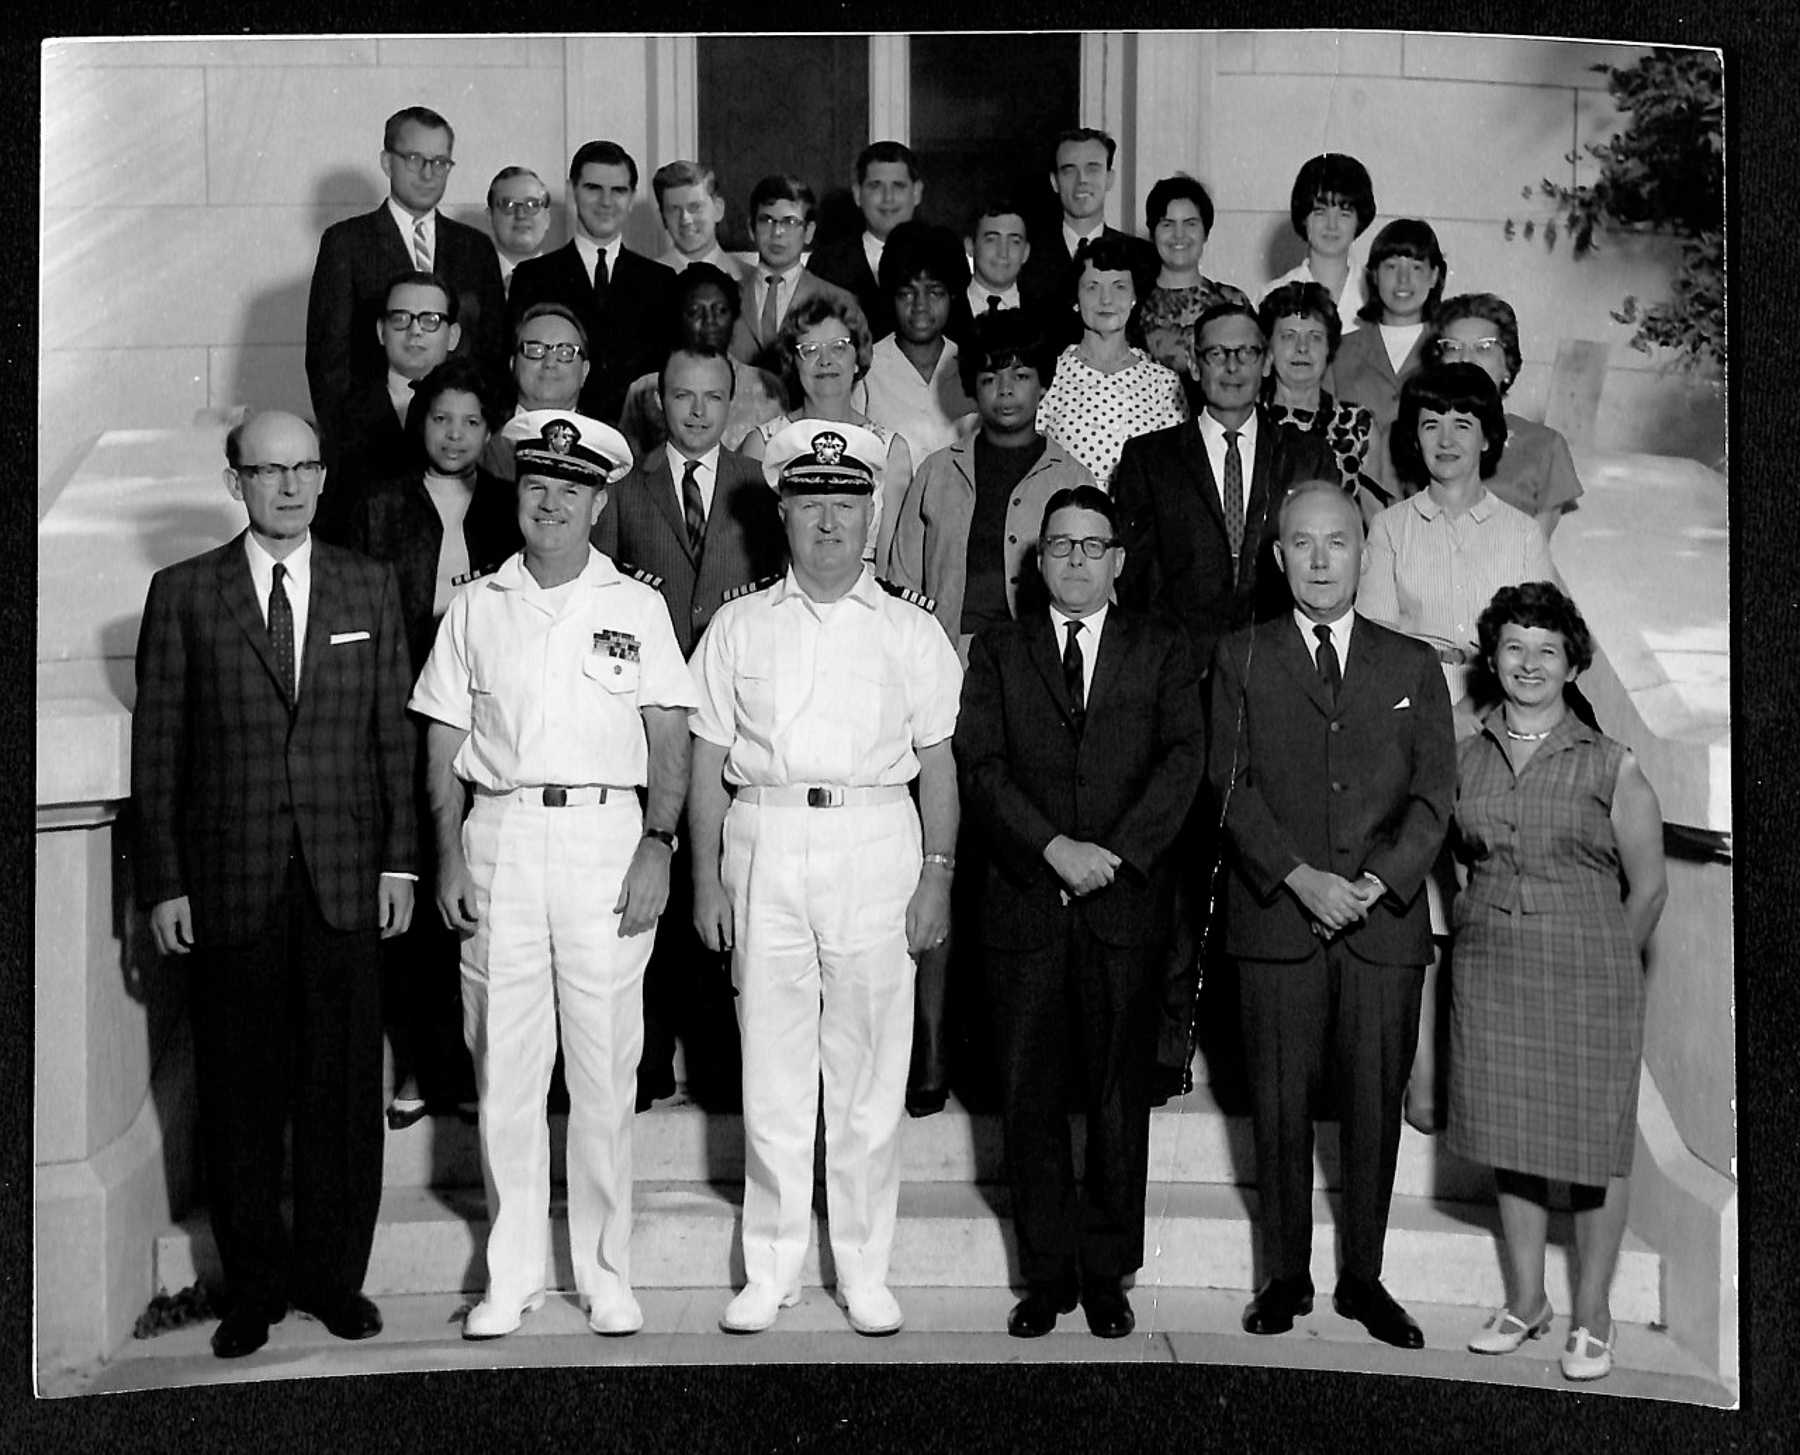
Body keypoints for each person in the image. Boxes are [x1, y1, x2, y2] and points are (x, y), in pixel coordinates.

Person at [131, 410, 415, 1359]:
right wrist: (165, 881)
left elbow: (392, 742)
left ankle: (333, 1279)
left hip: (342, 875)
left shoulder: (367, 586)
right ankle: (251, 1288)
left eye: (304, 468)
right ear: (236, 481)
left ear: (324, 476)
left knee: (340, 1090)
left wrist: (398, 862)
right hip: (231, 876)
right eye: (267, 471)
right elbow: (159, 750)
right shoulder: (183, 594)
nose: (289, 486)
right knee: (240, 1086)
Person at [409, 410, 696, 1341]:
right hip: (500, 837)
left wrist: (660, 840)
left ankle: (607, 1273)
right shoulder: (477, 605)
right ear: (518, 494)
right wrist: (448, 848)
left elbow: (668, 733)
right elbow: (444, 739)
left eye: (570, 489)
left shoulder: (637, 606)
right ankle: (514, 1274)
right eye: (537, 485)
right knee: (505, 1067)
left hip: (608, 838)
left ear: (599, 499)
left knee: (608, 1069)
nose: (551, 503)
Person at [687, 419, 963, 1337]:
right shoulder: (735, 624)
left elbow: (941, 765)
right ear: (784, 513)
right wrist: (706, 882)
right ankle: (770, 1268)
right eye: (811, 504)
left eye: (847, 504)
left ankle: (865, 1268)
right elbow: (705, 757)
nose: (830, 522)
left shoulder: (913, 630)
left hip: (877, 842)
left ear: (873, 512)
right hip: (763, 841)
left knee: (869, 1072)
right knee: (770, 1068)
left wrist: (936, 875)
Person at [1210, 480, 1455, 1350]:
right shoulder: (1240, 654)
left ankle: (1363, 1276)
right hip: (1278, 920)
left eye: (1337, 543)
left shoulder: (1412, 664)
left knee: (1371, 1108)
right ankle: (1284, 1274)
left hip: (1382, 929)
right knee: (1276, 1107)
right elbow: (1228, 787)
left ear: (1362, 551)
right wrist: (1299, 877)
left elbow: (1433, 797)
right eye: (1302, 544)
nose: (1320, 560)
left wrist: (1376, 883)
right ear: (1278, 558)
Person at [956, 485, 1205, 1340]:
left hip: (1125, 905)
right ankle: (1047, 1273)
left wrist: (1117, 854)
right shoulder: (996, 649)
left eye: (1092, 546)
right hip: (1024, 900)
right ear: (1039, 559)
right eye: (1060, 545)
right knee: (1027, 1097)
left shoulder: (1160, 648)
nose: (1075, 560)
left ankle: (1106, 1273)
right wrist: (1052, 848)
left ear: (1119, 561)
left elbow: (1184, 759)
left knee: (1114, 1097)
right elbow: (980, 764)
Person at [1114, 302, 1338, 1105]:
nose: (1235, 367)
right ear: (1194, 367)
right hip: (1181, 700)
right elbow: (1133, 596)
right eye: (1218, 354)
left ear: (1267, 362)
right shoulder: (1149, 460)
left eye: (1248, 352)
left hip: (1275, 694)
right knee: (1174, 881)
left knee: (1265, 875)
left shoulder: (1304, 453)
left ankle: (1251, 1069)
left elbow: (1322, 577)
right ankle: (1166, 1053)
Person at [1449, 582, 1666, 1381]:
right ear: (1493, 657)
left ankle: (1596, 1314)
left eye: (1547, 649)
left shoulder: (1612, 763)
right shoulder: (1465, 754)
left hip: (1589, 980)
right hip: (1492, 974)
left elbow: (1648, 889)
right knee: (1513, 1140)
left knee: (1595, 1151)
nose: (1529, 663)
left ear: (1573, 662)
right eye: (1514, 647)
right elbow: (1458, 857)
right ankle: (1527, 1299)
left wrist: (1604, 962)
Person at [597, 343, 787, 1109]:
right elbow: (604, 603)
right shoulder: (622, 489)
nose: (698, 410)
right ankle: (645, 1066)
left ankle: (716, 1070)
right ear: (659, 401)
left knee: (722, 887)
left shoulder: (759, 485)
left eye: (713, 397)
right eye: (683, 396)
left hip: (735, 717)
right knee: (651, 893)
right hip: (648, 721)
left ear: (731, 401)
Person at [347, 358, 521, 1133]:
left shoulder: (513, 506)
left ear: (490, 431)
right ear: (421, 423)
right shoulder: (377, 503)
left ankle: (483, 1064)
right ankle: (419, 1065)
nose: (455, 435)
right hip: (401, 716)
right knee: (416, 898)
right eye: (441, 419)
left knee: (485, 895)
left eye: (471, 422)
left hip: (493, 722)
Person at [888, 309, 1096, 645]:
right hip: (947, 655)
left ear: (1044, 384)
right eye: (989, 378)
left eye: (1021, 376)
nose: (1005, 390)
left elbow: (1096, 590)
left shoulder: (1072, 478)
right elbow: (902, 581)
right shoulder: (937, 472)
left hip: (1041, 658)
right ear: (971, 387)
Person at [306, 106, 504, 444]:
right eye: (414, 159)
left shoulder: (475, 247)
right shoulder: (346, 243)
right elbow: (328, 362)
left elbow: (494, 354)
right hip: (371, 443)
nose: (428, 173)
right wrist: (351, 445)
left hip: (461, 444)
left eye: (440, 162)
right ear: (387, 162)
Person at [507, 140, 678, 425]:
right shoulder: (532, 276)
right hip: (554, 433)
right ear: (573, 190)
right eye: (593, 188)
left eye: (618, 191)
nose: (606, 202)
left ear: (633, 197)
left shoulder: (661, 282)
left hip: (639, 441)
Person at [740, 294, 913, 573]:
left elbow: (889, 563)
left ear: (858, 358)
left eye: (839, 348)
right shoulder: (762, 444)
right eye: (810, 349)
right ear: (793, 362)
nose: (825, 361)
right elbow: (752, 555)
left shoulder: (891, 449)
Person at [1034, 234, 1188, 490]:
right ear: (1075, 299)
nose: (1106, 300)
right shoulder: (1050, 375)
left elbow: (1174, 478)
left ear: (1134, 296)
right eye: (1092, 287)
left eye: (1119, 286)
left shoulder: (1164, 384)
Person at [316, 270, 460, 540]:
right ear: (381, 331)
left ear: (453, 336)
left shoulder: (479, 412)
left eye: (430, 320)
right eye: (401, 319)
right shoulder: (342, 415)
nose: (415, 331)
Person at [1430, 292, 1584, 536]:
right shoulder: (1414, 437)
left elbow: (1536, 552)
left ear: (1508, 366)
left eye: (1484, 348)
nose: (1466, 359)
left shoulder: (1544, 446)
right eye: (1453, 347)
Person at [619, 262, 786, 459]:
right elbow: (628, 467)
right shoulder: (644, 391)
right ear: (678, 317)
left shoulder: (767, 387)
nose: (709, 320)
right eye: (695, 311)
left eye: (720, 311)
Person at [1258, 281, 1390, 518]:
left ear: (1329, 348)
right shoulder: (1251, 420)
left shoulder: (1357, 425)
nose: (1302, 348)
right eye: (1289, 336)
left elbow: (1375, 516)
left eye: (1315, 337)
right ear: (1268, 348)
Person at [1018, 128, 1159, 350]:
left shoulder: (1143, 256)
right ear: (1054, 182)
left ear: (1109, 178)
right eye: (1069, 171)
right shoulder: (1025, 257)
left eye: (1092, 169)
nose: (1081, 180)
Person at [862, 219, 978, 465]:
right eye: (907, 293)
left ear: (952, 295)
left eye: (934, 292)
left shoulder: (974, 366)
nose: (920, 306)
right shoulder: (865, 368)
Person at [729, 173, 862, 372]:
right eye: (767, 220)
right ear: (751, 228)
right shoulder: (726, 297)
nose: (777, 233)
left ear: (808, 231)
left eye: (790, 222)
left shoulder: (839, 302)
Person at [1329, 218, 1446, 434]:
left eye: (1416, 267)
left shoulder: (1448, 350)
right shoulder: (1339, 352)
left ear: (1434, 276)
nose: (1403, 280)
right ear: (1374, 274)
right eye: (1391, 266)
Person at [807, 141, 925, 341]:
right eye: (876, 186)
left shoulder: (941, 258)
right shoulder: (826, 264)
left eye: (898, 186)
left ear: (916, 193)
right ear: (858, 194)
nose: (888, 198)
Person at [1138, 174, 1251, 382]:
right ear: (1152, 233)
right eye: (1167, 224)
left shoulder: (1232, 301)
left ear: (1205, 232)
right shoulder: (1133, 302)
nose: (1178, 235)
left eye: (1190, 224)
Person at [1260, 154, 1379, 334]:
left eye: (1344, 213)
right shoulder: (1270, 295)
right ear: (1303, 218)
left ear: (1359, 219)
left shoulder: (1380, 293)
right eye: (1319, 212)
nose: (1332, 225)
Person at [651, 159, 748, 279]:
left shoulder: (749, 279)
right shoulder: (644, 281)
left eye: (695, 207)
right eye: (674, 209)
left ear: (718, 209)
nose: (685, 219)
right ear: (662, 217)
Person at [962, 197, 1035, 326]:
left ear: (1026, 252)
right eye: (992, 239)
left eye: (1014, 242)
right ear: (970, 246)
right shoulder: (944, 317)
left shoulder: (1050, 320)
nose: (1003, 252)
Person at [486, 166, 553, 296]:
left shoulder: (571, 281)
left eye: (532, 205)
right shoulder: (470, 279)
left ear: (547, 218)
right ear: (490, 217)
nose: (521, 215)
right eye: (508, 205)